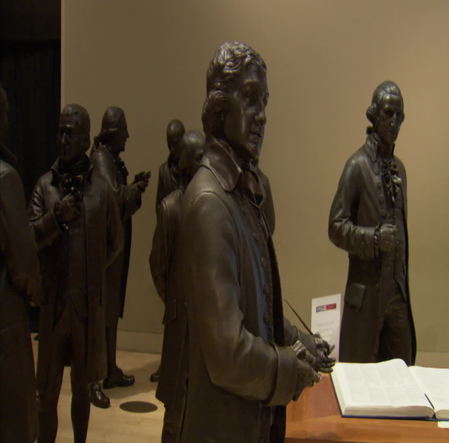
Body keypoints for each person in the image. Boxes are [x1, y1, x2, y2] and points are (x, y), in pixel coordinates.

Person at [167, 41, 334, 443]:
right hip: (223, 426)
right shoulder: (211, 202)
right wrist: (288, 369)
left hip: (247, 417)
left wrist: (296, 338)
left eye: (265, 102)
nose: (261, 117)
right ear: (220, 109)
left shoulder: (241, 193)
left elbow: (253, 308)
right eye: (251, 100)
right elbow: (227, 354)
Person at [28, 104, 123, 442]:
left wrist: (93, 273)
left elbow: (116, 241)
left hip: (86, 308)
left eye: (71, 132)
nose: (63, 139)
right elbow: (29, 238)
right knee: (46, 393)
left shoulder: (101, 191)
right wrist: (56, 217)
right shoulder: (45, 186)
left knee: (83, 390)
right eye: (60, 131)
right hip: (53, 309)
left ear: (86, 139)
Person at [328, 80, 416, 365]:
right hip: (367, 297)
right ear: (374, 115)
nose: (393, 122)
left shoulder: (399, 168)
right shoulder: (357, 166)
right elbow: (336, 227)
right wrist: (374, 239)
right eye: (388, 113)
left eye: (398, 116)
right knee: (363, 378)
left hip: (397, 295)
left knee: (403, 373)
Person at [89, 106, 150, 407]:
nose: (127, 137)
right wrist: (134, 190)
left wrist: (132, 188)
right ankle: (92, 378)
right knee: (100, 315)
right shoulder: (101, 160)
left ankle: (109, 370)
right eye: (124, 132)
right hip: (104, 254)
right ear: (114, 134)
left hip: (113, 253)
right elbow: (111, 200)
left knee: (110, 313)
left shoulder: (110, 160)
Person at [0, 84, 41, 443]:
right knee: (14, 420)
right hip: (4, 322)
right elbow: (23, 264)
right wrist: (36, 293)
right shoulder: (5, 178)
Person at [149, 129, 204, 385]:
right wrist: (174, 300)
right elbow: (158, 265)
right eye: (200, 157)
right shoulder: (170, 208)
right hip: (179, 316)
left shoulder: (213, 206)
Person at [156, 119, 185, 207]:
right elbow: (159, 207)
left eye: (176, 143)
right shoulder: (164, 171)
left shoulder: (191, 168)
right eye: (170, 144)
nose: (172, 149)